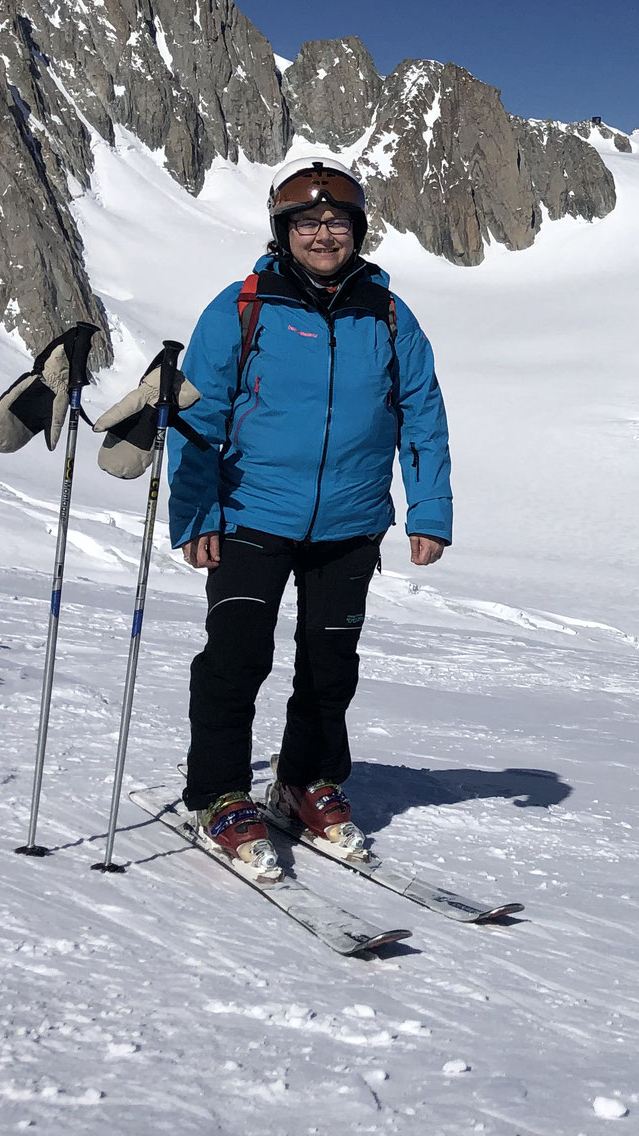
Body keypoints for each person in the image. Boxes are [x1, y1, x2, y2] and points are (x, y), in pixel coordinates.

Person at [166, 152, 451, 875]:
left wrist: (430, 508)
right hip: (249, 513)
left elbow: (421, 411)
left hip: (351, 523)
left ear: (358, 228)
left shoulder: (386, 311)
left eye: (337, 221)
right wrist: (195, 510)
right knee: (236, 658)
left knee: (330, 666)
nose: (324, 234)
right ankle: (219, 793)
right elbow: (199, 413)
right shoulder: (245, 304)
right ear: (282, 229)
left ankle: (303, 782)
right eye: (308, 222)